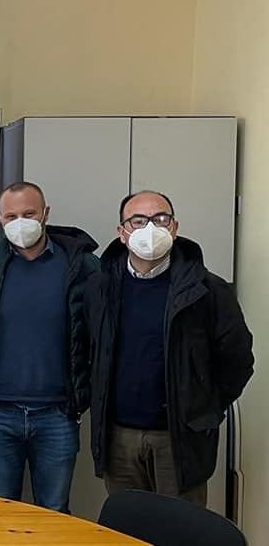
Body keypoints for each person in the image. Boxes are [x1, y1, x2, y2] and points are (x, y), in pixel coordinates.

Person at [87, 190, 254, 505]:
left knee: (181, 526)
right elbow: (91, 351)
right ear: (122, 232)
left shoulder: (208, 290)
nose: (150, 228)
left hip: (179, 439)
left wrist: (202, 407)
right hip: (119, 438)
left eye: (160, 219)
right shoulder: (100, 287)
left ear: (174, 227)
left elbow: (238, 360)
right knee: (128, 526)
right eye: (138, 221)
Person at [0, 182, 99, 512]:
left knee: (54, 513)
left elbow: (99, 337)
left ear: (45, 214)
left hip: (57, 416)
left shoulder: (83, 267)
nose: (20, 223)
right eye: (11, 216)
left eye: (29, 214)